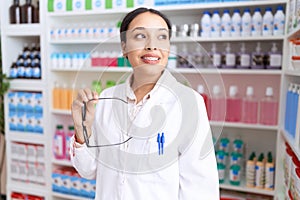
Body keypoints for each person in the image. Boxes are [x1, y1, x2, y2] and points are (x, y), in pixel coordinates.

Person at [70, 7, 219, 199]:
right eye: (140, 36)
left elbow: (200, 188)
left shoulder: (188, 103)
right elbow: (88, 171)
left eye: (161, 37)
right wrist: (82, 129)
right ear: (124, 47)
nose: (151, 46)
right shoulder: (107, 99)